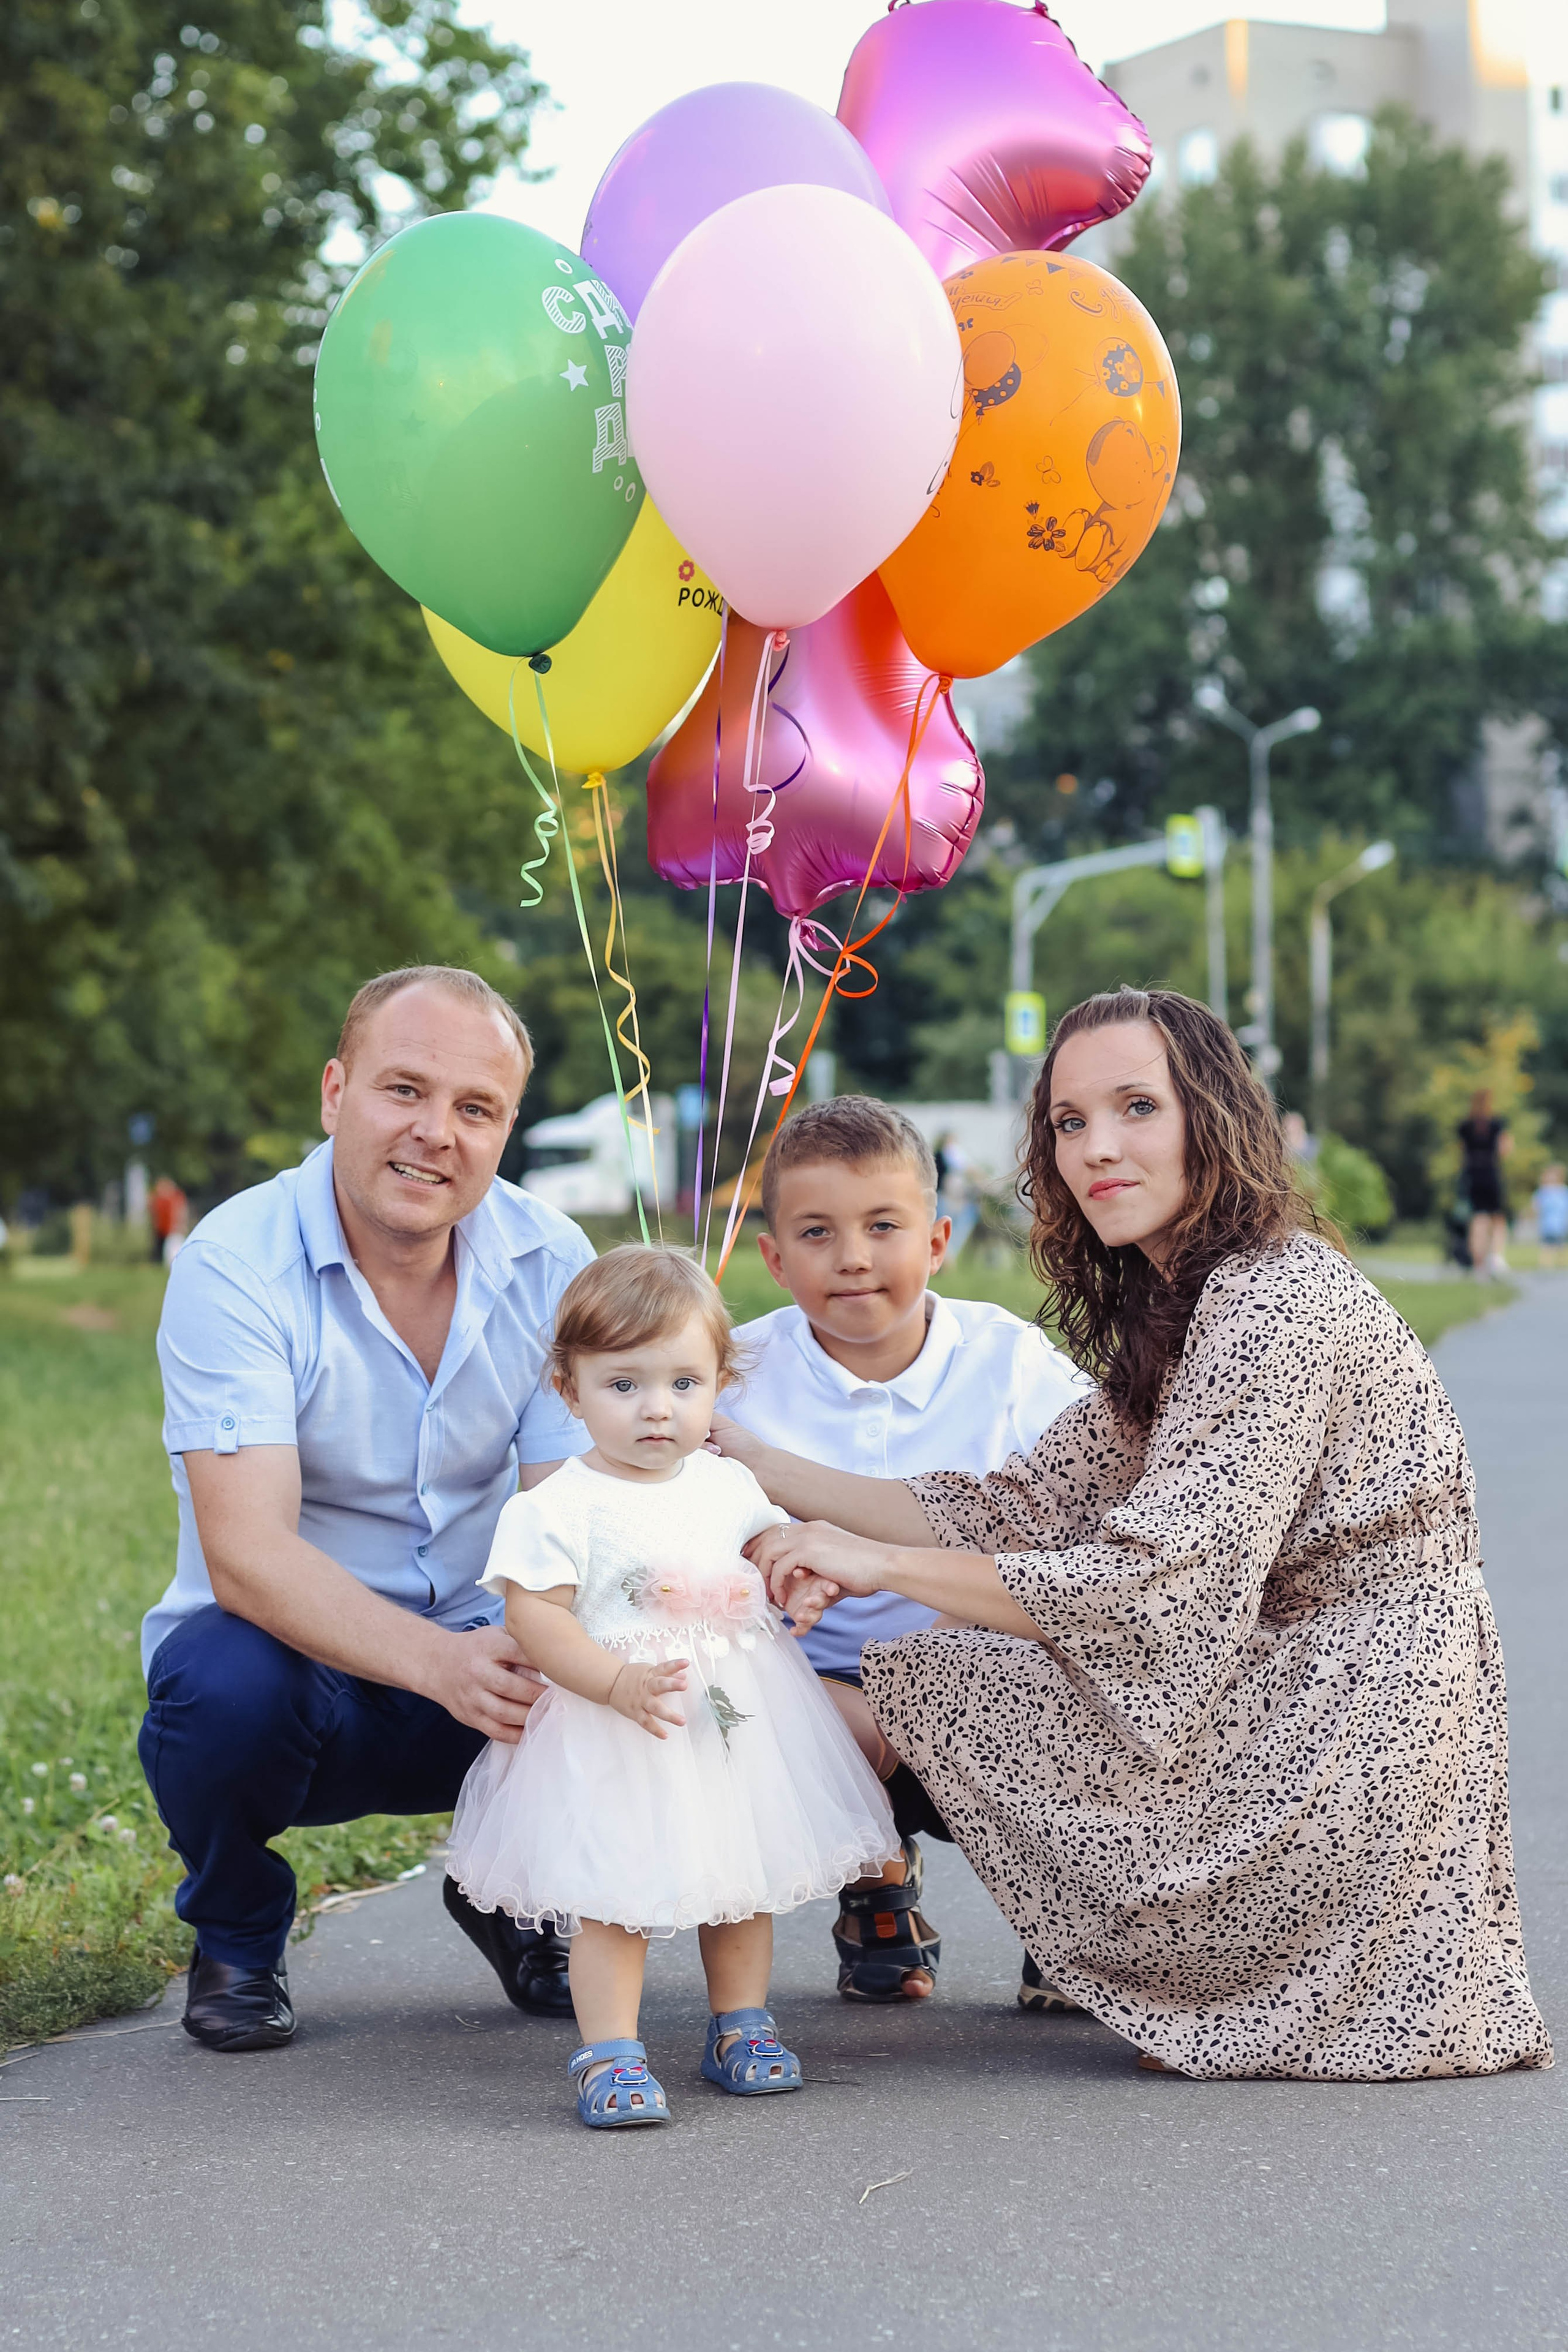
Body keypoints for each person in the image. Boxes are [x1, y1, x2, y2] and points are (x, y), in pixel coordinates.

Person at [726, 988, 1553, 2080]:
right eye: (1070, 1123)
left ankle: (1109, 1943)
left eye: (1135, 1108)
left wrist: (870, 1563)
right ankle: (1093, 1941)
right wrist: (752, 1463)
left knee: (945, 1674)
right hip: (1312, 1682)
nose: (1098, 1149)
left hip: (1350, 1713)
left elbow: (1149, 1589)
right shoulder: (1198, 1300)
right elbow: (1015, 1506)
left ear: (1210, 1115)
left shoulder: (1272, 1307)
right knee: (953, 1661)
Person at [138, 965, 597, 2052]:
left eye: (476, 1108)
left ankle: (513, 1890)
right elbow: (246, 1554)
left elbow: (572, 1516)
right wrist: (440, 1665)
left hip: (488, 1656)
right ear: (336, 1093)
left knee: (602, 1638)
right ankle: (239, 1931)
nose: (436, 1133)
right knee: (216, 1687)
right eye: (405, 1090)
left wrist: (554, 1643)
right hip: (304, 1672)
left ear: (507, 1129)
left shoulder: (553, 1262)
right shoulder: (235, 1265)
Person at [445, 1246, 896, 2129]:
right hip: (619, 1726)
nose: (658, 1409)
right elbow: (538, 1620)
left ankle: (742, 2026)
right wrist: (612, 1681)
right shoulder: (557, 1507)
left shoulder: (730, 1484)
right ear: (568, 1389)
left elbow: (774, 1549)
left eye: (684, 1384)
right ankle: (609, 2050)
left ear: (719, 1385)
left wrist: (797, 1580)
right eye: (624, 1385)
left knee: (741, 1877)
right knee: (613, 1896)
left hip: (728, 1725)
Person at [726, 1096, 1086, 2008]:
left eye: (883, 1226)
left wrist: (952, 1620)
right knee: (776, 1710)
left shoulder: (1011, 1367)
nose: (852, 1256)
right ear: (773, 1259)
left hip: (977, 1655)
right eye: (816, 1232)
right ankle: (877, 1880)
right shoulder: (735, 1377)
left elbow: (1084, 1529)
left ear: (936, 1241)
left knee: (1076, 1676)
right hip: (811, 1674)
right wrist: (757, 1545)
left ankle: (1075, 1911)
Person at [1458, 1088, 1512, 1279]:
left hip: (1472, 1174)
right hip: (1490, 1172)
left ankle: (1478, 1264)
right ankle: (1496, 1257)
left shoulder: (1466, 1126)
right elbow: (1504, 1150)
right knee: (1497, 1218)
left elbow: (1462, 1153)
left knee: (1478, 1219)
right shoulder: (1496, 1124)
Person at [1532, 1162, 1567, 1270]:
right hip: (1546, 1224)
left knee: (1562, 1246)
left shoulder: (1563, 1191)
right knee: (1547, 1246)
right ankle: (1546, 1265)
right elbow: (1536, 1206)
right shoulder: (1543, 1192)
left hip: (1561, 1224)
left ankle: (1563, 1264)